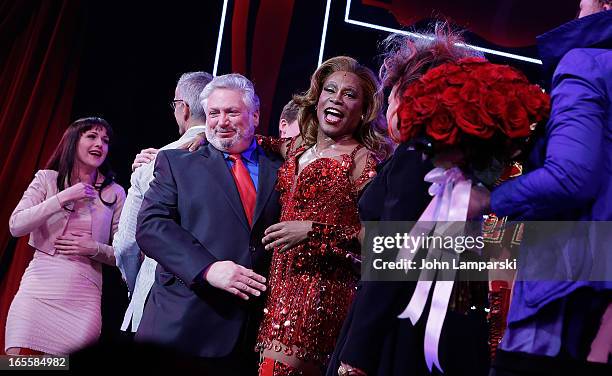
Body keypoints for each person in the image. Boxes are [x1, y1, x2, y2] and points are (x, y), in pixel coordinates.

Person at [327, 28, 490, 376]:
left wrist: (357, 354)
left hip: (401, 328)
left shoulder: (416, 158)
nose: (387, 109)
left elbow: (395, 256)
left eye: (392, 96)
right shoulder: (461, 164)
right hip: (448, 327)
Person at [489, 5, 612, 374]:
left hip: (567, 278)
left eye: (582, 2)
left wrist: (488, 199)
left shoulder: (586, 63)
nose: (578, 10)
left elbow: (571, 177)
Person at [135, 73, 282, 375]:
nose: (221, 121)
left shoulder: (281, 168)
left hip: (249, 337)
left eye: (231, 112)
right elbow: (151, 226)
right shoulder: (177, 163)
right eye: (214, 113)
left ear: (255, 114)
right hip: (181, 327)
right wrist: (208, 268)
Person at [255, 56, 393, 376]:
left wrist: (314, 230)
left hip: (323, 297)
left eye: (350, 94)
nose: (337, 98)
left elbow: (380, 241)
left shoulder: (365, 162)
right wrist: (201, 135)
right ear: (317, 98)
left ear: (363, 110)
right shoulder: (298, 148)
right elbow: (263, 142)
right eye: (330, 90)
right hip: (277, 292)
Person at [6, 117, 126, 356]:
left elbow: (124, 253)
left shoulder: (115, 192)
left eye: (105, 140)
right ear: (73, 141)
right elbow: (16, 225)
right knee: (17, 364)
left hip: (84, 296)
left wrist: (93, 248)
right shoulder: (47, 179)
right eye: (91, 136)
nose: (100, 144)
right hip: (38, 289)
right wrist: (63, 197)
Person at [113, 71, 212, 334]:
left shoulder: (152, 165)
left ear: (184, 108)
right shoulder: (238, 161)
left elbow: (126, 244)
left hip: (156, 301)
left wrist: (137, 284)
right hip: (216, 309)